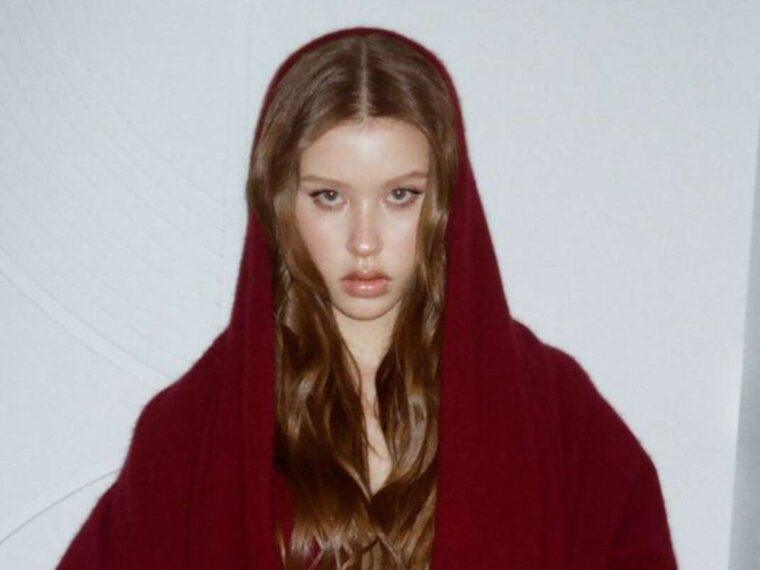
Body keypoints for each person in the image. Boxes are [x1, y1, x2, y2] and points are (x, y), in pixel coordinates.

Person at [57, 26, 678, 569]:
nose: (364, 240)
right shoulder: (190, 431)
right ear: (279, 202)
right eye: (329, 196)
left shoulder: (557, 414)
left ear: (447, 200)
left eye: (400, 195)